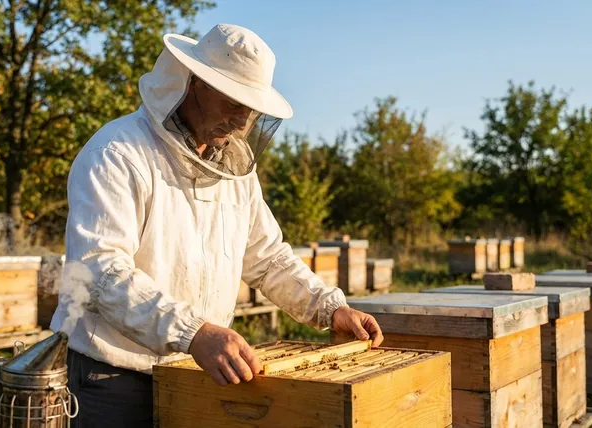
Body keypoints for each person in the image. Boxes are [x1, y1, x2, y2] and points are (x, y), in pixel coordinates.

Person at [51, 23, 384, 427]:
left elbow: (267, 257)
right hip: (113, 379)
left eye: (251, 109)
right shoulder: (118, 154)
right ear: (194, 83)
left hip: (196, 373)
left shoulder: (235, 171)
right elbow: (101, 271)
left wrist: (329, 308)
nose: (242, 121)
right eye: (233, 102)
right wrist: (193, 332)